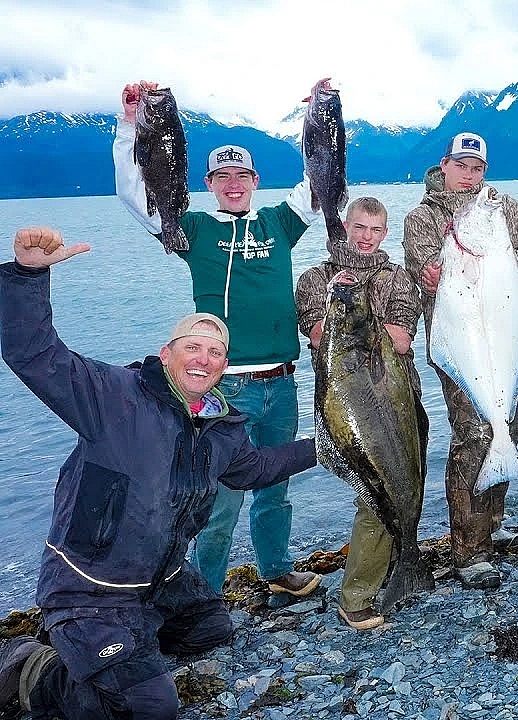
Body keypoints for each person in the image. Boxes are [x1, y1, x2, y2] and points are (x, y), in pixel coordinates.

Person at [0, 227, 317, 720]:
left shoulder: (220, 426)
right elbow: (34, 354)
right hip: (91, 587)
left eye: (215, 353)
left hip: (161, 580)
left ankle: (120, 645)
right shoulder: (111, 395)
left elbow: (255, 470)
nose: (204, 358)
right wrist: (27, 276)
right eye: (193, 347)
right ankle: (33, 668)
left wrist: (331, 447)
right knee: (148, 707)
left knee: (212, 630)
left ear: (223, 367)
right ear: (167, 353)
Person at [114, 80, 321, 598]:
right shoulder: (194, 231)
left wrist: (320, 113)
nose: (233, 183)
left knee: (276, 488)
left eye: (242, 175)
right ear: (208, 182)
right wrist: (129, 126)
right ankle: (205, 594)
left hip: (282, 382)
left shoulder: (280, 222)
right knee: (221, 498)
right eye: (222, 176)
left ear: (255, 179)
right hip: (223, 389)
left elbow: (321, 181)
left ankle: (277, 572)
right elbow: (135, 196)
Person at [402, 133, 518, 589]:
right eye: (462, 165)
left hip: (507, 337)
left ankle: (491, 526)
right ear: (444, 164)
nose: (470, 174)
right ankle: (468, 551)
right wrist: (431, 272)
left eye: (477, 167)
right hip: (463, 344)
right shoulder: (421, 217)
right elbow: (422, 267)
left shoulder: (506, 207)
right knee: (475, 435)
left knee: (507, 432)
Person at [294, 197, 421, 630]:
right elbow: (315, 334)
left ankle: (399, 570)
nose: (366, 237)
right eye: (359, 227)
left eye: (376, 230)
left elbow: (402, 341)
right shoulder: (316, 278)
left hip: (399, 406)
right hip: (345, 408)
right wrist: (338, 303)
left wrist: (358, 310)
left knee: (406, 489)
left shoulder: (399, 278)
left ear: (386, 233)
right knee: (373, 498)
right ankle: (358, 597)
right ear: (345, 226)